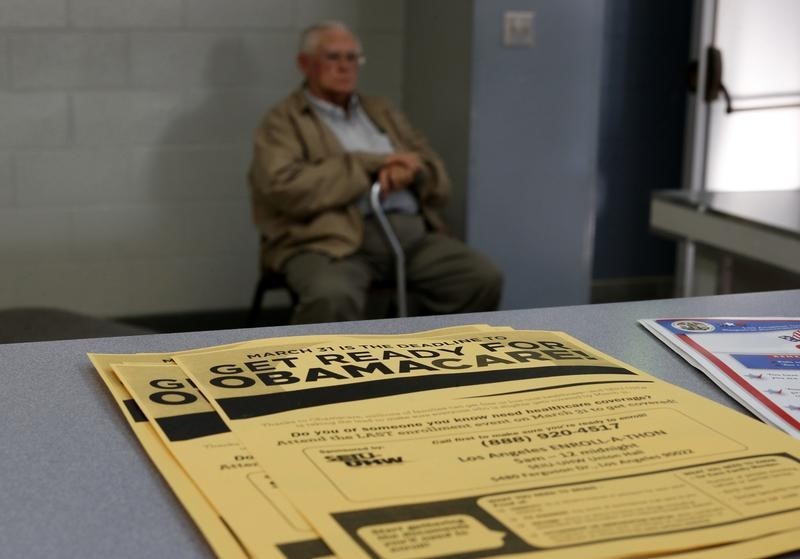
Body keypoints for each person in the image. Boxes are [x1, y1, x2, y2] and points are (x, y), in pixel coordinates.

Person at [248, 21, 502, 324]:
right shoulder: (283, 121)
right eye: (333, 57)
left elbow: (432, 170)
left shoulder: (381, 110)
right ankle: (323, 369)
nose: (345, 66)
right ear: (305, 64)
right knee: (332, 297)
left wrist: (411, 171)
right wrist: (372, 165)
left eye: (352, 57)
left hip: (410, 236)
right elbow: (284, 189)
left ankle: (432, 356)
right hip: (329, 242)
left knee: (480, 277)